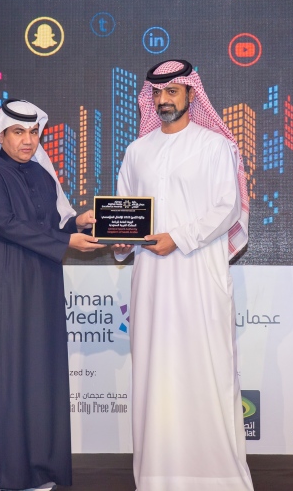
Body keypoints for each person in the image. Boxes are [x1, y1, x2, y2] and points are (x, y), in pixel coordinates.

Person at [113, 60, 254, 491]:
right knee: (155, 372)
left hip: (199, 275)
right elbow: (125, 209)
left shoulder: (215, 146)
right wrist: (118, 239)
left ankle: (217, 478)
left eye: (172, 91)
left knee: (206, 369)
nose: (163, 99)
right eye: (157, 93)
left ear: (192, 94)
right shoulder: (137, 151)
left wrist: (178, 237)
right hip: (151, 281)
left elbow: (227, 207)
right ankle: (158, 476)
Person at [0, 99, 103, 491]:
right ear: (1, 134)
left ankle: (37, 470)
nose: (28, 140)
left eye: (34, 132)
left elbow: (51, 223)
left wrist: (78, 222)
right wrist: (65, 241)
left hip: (38, 284)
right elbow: (6, 224)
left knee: (38, 371)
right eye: (18, 132)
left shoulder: (41, 176)